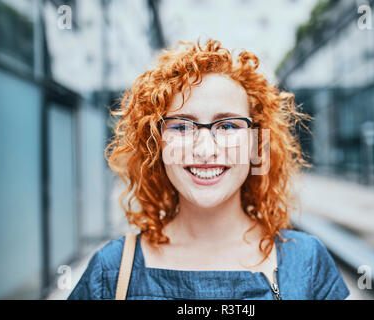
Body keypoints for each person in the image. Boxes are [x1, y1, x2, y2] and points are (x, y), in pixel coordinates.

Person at [68, 38, 350, 300]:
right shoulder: (112, 272)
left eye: (227, 126)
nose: (205, 150)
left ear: (256, 144)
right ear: (156, 145)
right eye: (181, 126)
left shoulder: (307, 264)